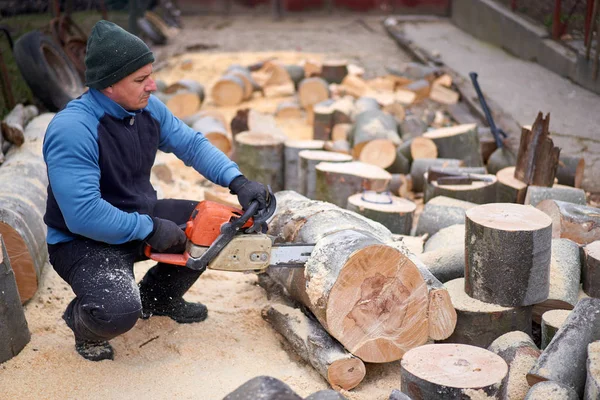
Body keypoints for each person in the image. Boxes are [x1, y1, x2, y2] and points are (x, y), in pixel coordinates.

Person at [43, 20, 268, 362]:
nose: (153, 84)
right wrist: (148, 227)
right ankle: (85, 323)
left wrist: (237, 181)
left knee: (215, 222)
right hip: (82, 241)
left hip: (137, 216)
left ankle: (158, 298)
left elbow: (191, 144)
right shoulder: (73, 129)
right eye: (140, 79)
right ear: (107, 86)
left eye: (150, 74)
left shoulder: (146, 107)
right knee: (117, 310)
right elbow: (83, 214)